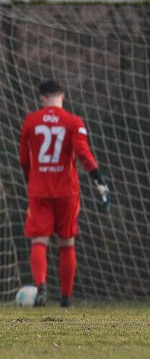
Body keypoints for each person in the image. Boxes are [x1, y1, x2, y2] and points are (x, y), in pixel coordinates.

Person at [19, 79, 110, 307]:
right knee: (66, 243)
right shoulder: (72, 121)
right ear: (63, 96)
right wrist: (99, 180)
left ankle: (40, 286)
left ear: (41, 97)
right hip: (67, 192)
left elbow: (23, 157)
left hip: (39, 190)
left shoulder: (31, 121)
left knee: (39, 240)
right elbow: (83, 153)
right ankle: (66, 297)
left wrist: (30, 179)